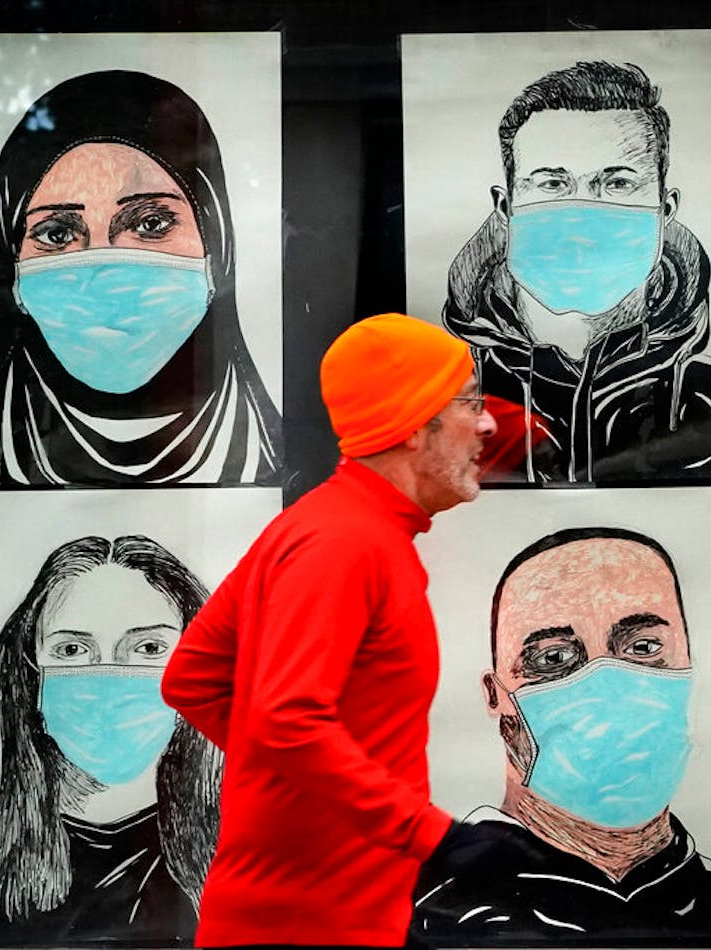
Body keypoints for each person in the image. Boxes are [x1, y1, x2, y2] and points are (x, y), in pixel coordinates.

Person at [160, 312, 497, 948]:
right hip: (308, 923)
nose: (487, 423)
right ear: (411, 429)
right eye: (467, 402)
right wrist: (432, 836)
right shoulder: (343, 543)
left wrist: (304, 780)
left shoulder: (336, 528)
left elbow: (194, 677)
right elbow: (287, 719)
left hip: (334, 912)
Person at [410, 527, 711, 944]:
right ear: (498, 697)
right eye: (554, 657)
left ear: (688, 661)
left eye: (643, 647)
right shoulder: (425, 918)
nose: (609, 688)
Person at [0, 69, 282, 487]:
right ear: (14, 265)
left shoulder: (284, 468)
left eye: (150, 223)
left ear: (216, 245)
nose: (103, 268)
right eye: (57, 234)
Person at [443, 61, 711, 485]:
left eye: (616, 183)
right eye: (552, 184)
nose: (581, 218)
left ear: (665, 209)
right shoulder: (444, 406)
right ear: (505, 208)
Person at [0, 535, 222, 945]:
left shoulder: (253, 876)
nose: (107, 675)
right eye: (71, 649)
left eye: (149, 647)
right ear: (31, 678)